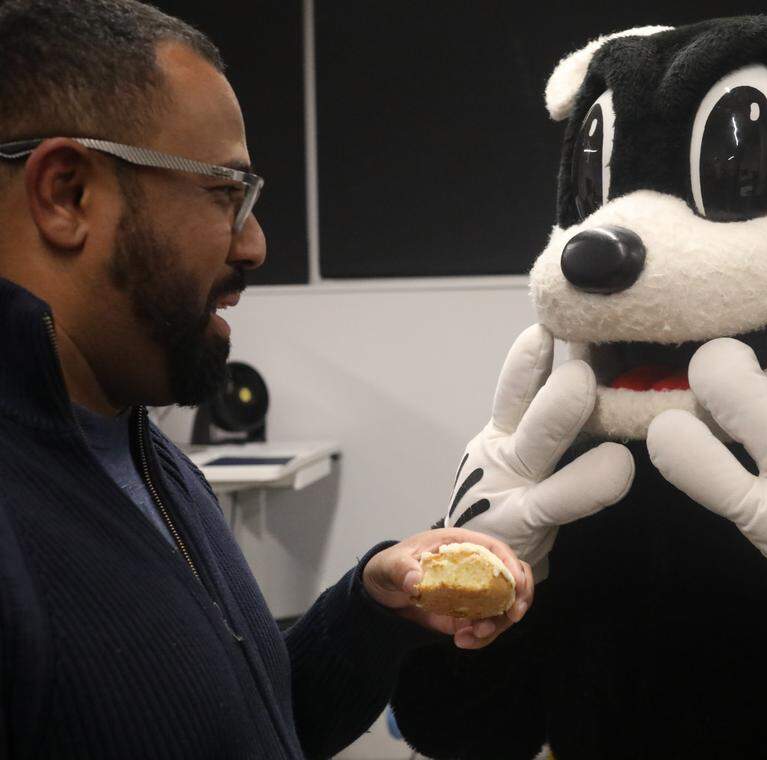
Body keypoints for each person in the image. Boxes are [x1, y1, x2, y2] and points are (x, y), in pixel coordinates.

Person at [0, 1, 533, 757]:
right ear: (67, 193)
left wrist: (372, 611)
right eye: (226, 193)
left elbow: (251, 727)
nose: (254, 243)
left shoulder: (142, 451)